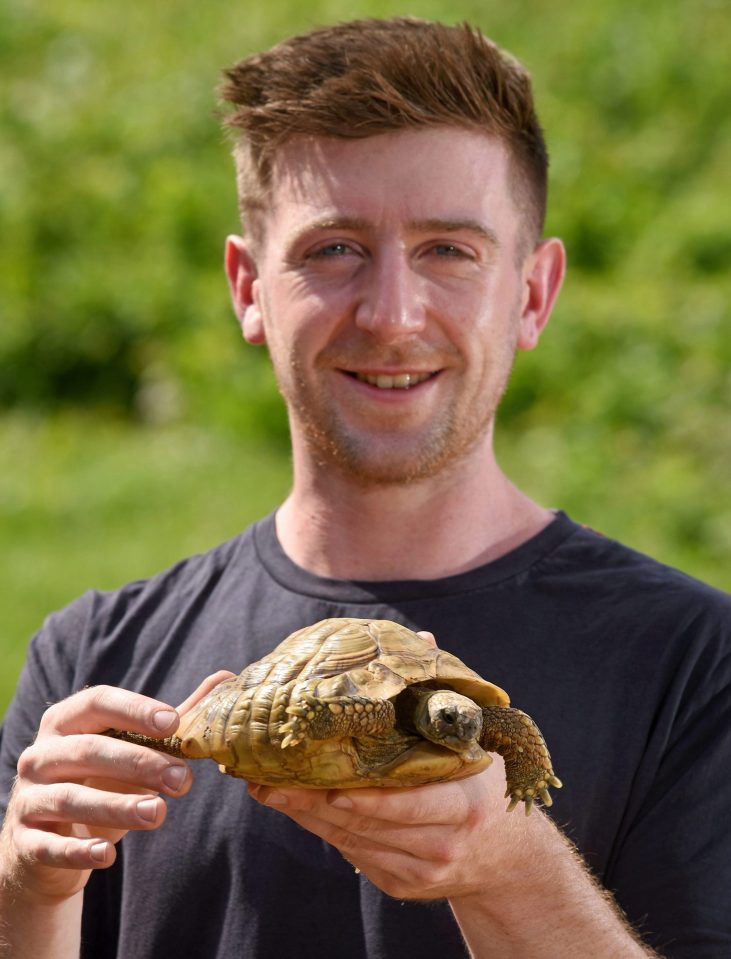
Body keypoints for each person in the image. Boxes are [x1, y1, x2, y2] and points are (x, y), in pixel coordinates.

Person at [1, 17, 729, 959]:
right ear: (248, 287)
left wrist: (510, 865)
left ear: (533, 294)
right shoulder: (98, 656)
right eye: (334, 249)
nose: (390, 314)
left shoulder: (693, 663)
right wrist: (27, 889)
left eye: (448, 251)